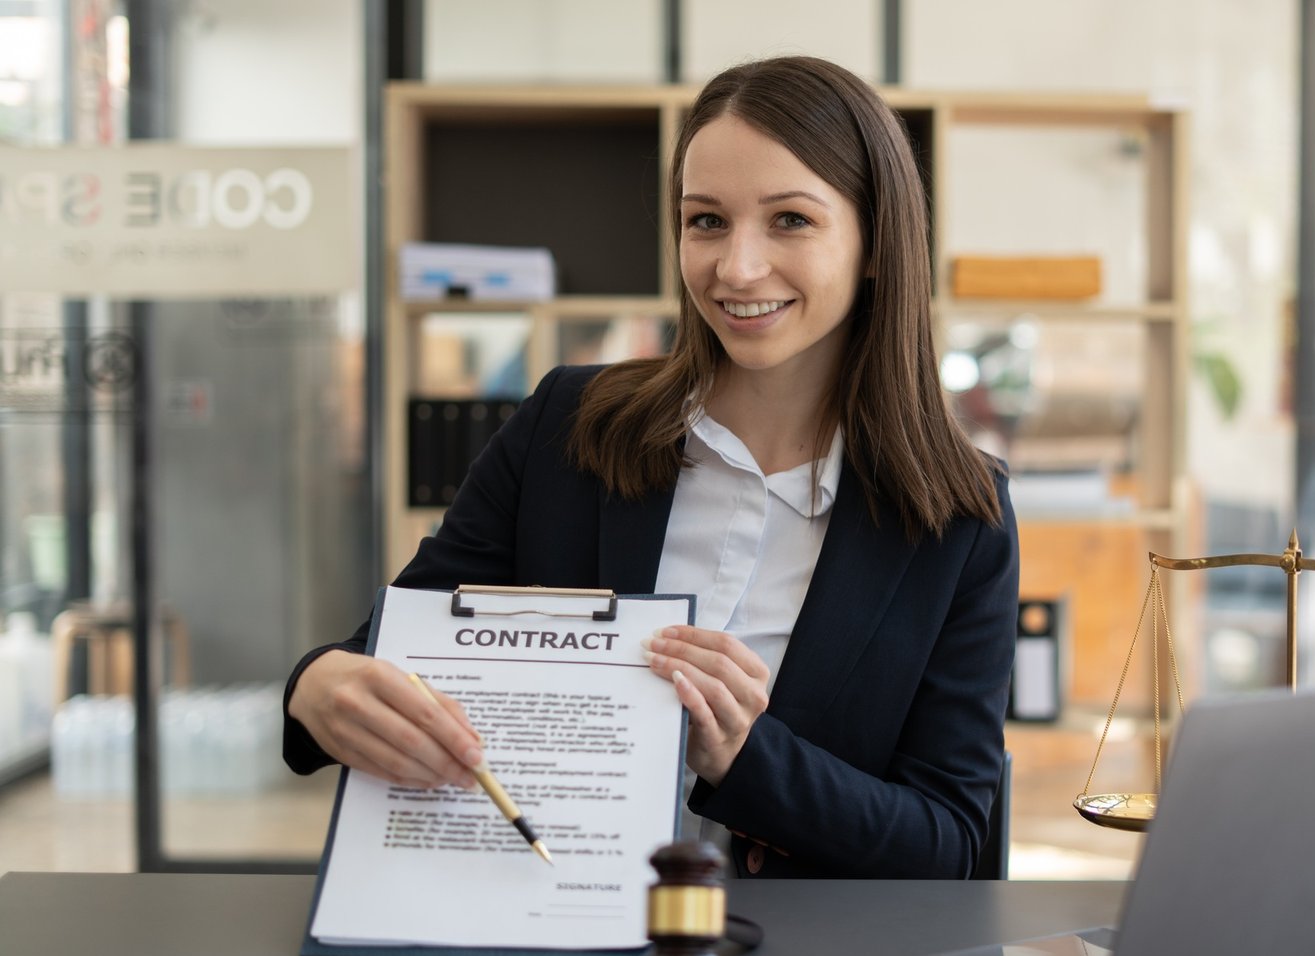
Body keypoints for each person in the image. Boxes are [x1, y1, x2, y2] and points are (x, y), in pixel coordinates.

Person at [283, 55, 1019, 879]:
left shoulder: (958, 517)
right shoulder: (566, 427)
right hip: (539, 921)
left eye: (791, 221)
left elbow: (948, 841)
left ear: (877, 243)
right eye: (706, 220)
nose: (737, 269)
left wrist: (744, 755)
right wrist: (316, 684)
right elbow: (394, 653)